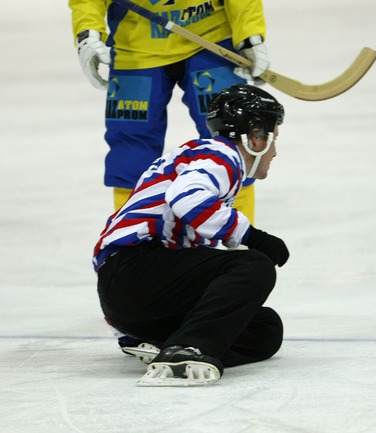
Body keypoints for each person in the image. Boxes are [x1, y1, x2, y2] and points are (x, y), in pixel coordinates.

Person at [93, 84, 290, 386]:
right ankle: (189, 349)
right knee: (254, 265)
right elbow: (185, 199)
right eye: (273, 137)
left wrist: (127, 331)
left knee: (265, 328)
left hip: (132, 289)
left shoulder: (198, 160)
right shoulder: (221, 155)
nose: (274, 150)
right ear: (255, 136)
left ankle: (167, 344)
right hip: (135, 273)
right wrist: (253, 236)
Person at [68, 0, 271, 222]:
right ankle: (132, 235)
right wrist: (87, 32)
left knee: (233, 141)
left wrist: (250, 35)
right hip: (135, 48)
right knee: (131, 153)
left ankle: (238, 235)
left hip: (210, 41)